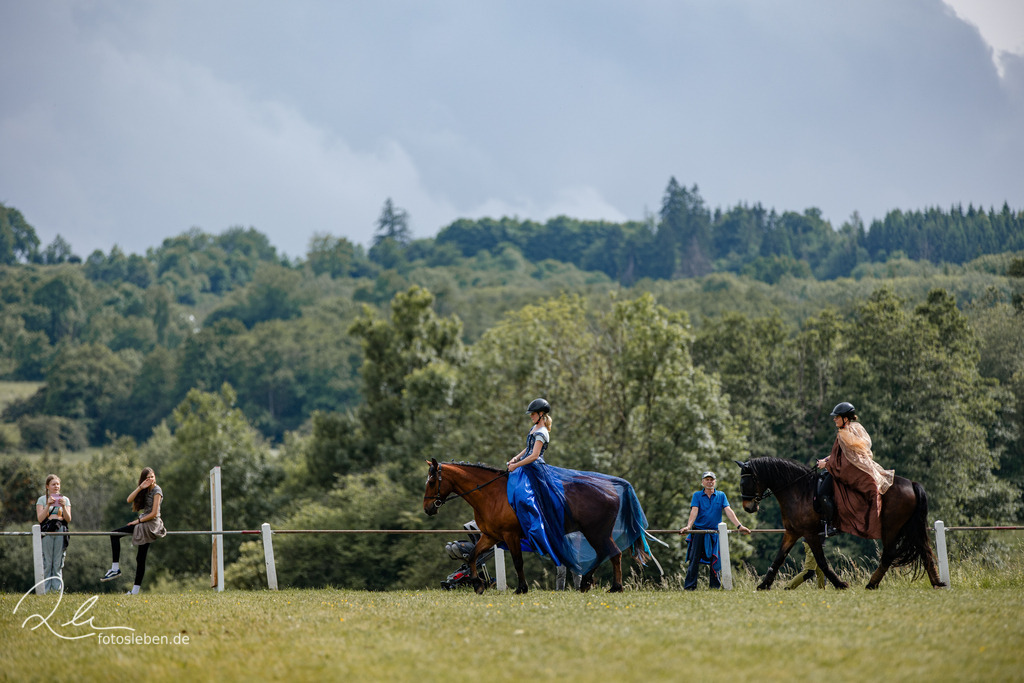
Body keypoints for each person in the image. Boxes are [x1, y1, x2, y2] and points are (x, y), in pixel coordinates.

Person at [816, 402, 893, 539]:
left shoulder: (844, 434)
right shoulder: (855, 428)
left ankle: (834, 525)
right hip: (851, 465)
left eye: (837, 417)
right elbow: (841, 453)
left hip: (848, 469)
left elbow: (845, 460)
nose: (834, 419)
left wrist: (826, 464)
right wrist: (826, 459)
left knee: (823, 494)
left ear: (845, 418)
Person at [678, 471, 750, 590]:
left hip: (715, 532)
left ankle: (714, 587)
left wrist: (739, 526)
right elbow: (694, 511)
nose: (709, 482)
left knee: (715, 560)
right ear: (702, 482)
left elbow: (728, 511)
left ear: (715, 482)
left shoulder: (721, 495)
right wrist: (688, 527)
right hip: (699, 531)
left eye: (712, 479)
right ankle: (690, 587)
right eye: (707, 479)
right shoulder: (697, 495)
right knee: (694, 559)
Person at [101, 467, 166, 594]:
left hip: (151, 524)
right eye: (147, 478)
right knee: (115, 535)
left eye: (152, 477)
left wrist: (138, 522)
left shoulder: (157, 490)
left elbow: (154, 513)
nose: (150, 480)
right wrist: (140, 487)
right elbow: (129, 500)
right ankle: (115, 569)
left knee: (140, 558)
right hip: (143, 522)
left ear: (155, 477)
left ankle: (134, 591)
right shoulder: (145, 489)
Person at [35, 474, 71, 594]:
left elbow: (68, 518)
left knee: (58, 562)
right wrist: (49, 505)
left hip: (60, 529)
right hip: (47, 529)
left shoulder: (65, 499)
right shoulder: (41, 500)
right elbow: (40, 519)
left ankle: (56, 591)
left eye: (58, 484)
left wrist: (63, 506)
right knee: (47, 562)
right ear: (47, 486)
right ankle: (45, 590)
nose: (56, 486)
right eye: (53, 484)